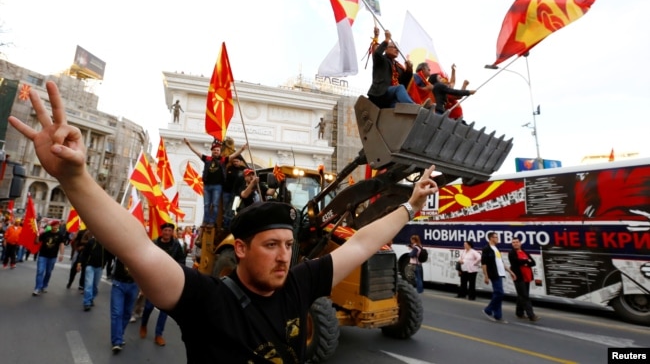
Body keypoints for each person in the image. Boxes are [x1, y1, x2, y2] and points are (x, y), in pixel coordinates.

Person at [8, 81, 438, 362]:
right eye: (272, 245)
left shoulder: (299, 285)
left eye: (288, 246)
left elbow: (360, 245)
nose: (285, 257)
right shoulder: (206, 300)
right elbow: (136, 247)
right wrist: (75, 177)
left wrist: (410, 207)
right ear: (241, 248)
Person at [184, 137, 248, 228]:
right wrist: (189, 144)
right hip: (207, 186)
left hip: (218, 187)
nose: (216, 151)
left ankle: (213, 222)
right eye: (214, 150)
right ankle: (206, 222)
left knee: (215, 205)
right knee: (206, 205)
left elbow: (233, 156)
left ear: (219, 151)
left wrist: (241, 149)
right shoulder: (207, 159)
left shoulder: (223, 160)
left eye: (217, 150)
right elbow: (197, 152)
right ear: (212, 151)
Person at [140, 222, 186, 346]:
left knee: (165, 309)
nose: (167, 233)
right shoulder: (154, 243)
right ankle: (143, 324)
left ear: (172, 232)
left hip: (168, 280)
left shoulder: (176, 245)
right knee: (149, 307)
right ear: (162, 232)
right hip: (154, 279)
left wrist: (178, 271)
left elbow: (182, 259)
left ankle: (158, 334)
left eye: (169, 231)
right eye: (165, 230)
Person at [367, 29, 418, 109]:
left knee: (397, 107)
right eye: (394, 47)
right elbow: (376, 53)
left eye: (397, 49)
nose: (397, 50)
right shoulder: (381, 59)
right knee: (399, 88)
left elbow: (404, 82)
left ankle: (417, 111)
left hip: (391, 96)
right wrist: (387, 40)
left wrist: (409, 71)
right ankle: (414, 108)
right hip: (380, 93)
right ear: (386, 49)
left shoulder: (398, 66)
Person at [481, 232, 515, 322]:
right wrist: (486, 276)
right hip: (493, 274)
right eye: (496, 237)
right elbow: (483, 263)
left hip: (500, 273)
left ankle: (498, 316)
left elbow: (501, 262)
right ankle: (488, 310)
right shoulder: (486, 249)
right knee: (499, 293)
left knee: (498, 294)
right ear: (491, 238)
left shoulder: (496, 249)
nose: (498, 239)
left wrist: (510, 272)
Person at [110, 257, 139, 353]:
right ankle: (117, 341)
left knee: (127, 313)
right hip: (119, 283)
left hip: (134, 284)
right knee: (117, 312)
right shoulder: (121, 245)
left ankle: (119, 335)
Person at [77, 229, 111, 311]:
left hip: (99, 267)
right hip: (90, 266)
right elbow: (84, 253)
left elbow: (110, 255)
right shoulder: (91, 242)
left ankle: (91, 298)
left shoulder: (105, 244)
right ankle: (87, 302)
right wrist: (79, 263)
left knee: (95, 285)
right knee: (88, 284)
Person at [508, 238, 540, 321]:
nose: (515, 244)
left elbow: (533, 262)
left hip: (527, 277)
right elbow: (515, 262)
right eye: (513, 242)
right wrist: (526, 261)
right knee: (525, 296)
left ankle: (519, 313)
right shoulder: (511, 253)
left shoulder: (524, 251)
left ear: (520, 243)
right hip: (518, 277)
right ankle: (531, 315)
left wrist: (524, 262)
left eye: (517, 242)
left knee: (521, 295)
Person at [32, 219, 66, 296]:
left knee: (48, 272)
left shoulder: (60, 235)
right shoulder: (45, 234)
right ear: (51, 226)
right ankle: (37, 288)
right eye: (54, 225)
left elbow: (61, 244)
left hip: (52, 256)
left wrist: (61, 254)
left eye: (57, 225)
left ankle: (44, 285)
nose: (55, 227)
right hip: (43, 255)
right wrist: (37, 235)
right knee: (40, 271)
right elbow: (36, 242)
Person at [222, 154, 247, 231]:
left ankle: (229, 225)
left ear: (240, 161)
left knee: (233, 209)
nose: (235, 163)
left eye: (237, 161)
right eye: (234, 161)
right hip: (227, 192)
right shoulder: (229, 168)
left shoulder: (244, 170)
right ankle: (225, 225)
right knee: (226, 208)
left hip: (237, 194)